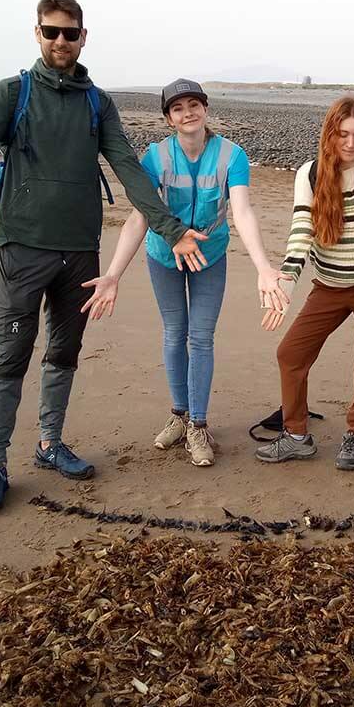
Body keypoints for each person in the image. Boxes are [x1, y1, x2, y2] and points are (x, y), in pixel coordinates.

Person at [0, 0, 206, 512]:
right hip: (22, 248)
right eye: (51, 32)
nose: (60, 41)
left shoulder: (98, 102)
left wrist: (171, 227)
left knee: (63, 352)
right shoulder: (14, 94)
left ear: (82, 37)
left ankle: (50, 445)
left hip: (79, 252)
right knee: (9, 357)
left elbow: (129, 169)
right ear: (37, 33)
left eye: (69, 33)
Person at [80, 79, 289, 467]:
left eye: (194, 104)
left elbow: (242, 212)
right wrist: (112, 274)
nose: (187, 113)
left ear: (206, 110)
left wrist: (263, 267)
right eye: (178, 108)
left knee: (202, 337)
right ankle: (178, 414)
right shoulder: (156, 157)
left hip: (210, 257)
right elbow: (138, 219)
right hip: (165, 256)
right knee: (175, 333)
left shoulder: (232, 155)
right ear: (168, 118)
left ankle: (198, 424)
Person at [254, 97, 354, 470]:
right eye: (342, 134)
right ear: (329, 134)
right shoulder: (309, 173)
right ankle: (295, 436)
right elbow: (301, 233)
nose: (350, 143)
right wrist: (285, 285)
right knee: (290, 354)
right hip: (327, 285)